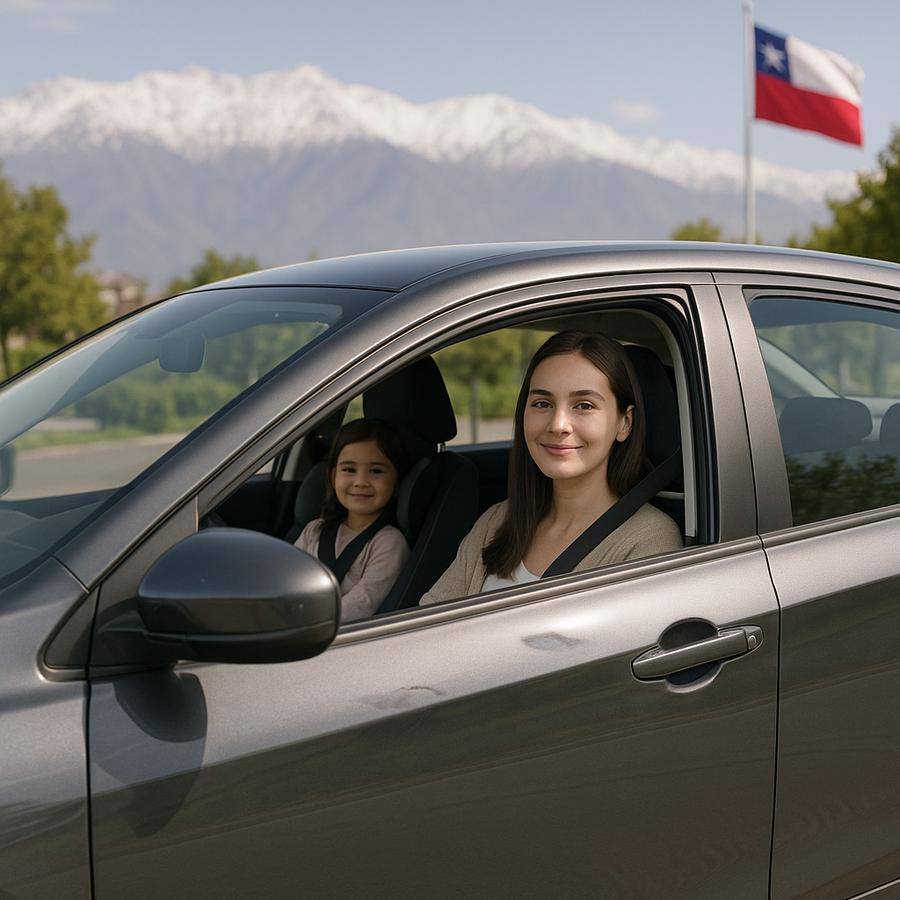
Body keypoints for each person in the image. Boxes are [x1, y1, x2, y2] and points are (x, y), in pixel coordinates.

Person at [420, 331, 682, 604]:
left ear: (624, 423)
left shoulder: (647, 541)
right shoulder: (497, 520)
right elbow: (426, 627)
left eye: (583, 405)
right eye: (542, 403)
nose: (558, 425)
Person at [296, 418, 410, 622]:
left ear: (396, 482)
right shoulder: (314, 530)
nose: (360, 482)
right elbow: (285, 580)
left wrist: (303, 621)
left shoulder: (389, 543)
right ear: (333, 477)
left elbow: (363, 604)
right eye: (349, 470)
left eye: (376, 471)